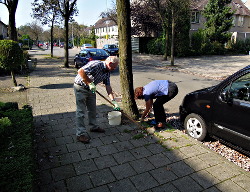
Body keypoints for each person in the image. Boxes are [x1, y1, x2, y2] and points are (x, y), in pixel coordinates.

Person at [74, 56, 120, 143]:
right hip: (80, 87)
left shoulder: (107, 72)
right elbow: (80, 71)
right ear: (110, 63)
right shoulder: (96, 64)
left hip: (91, 89)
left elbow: (108, 87)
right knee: (81, 111)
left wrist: (114, 102)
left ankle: (93, 127)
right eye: (114, 66)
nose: (115, 68)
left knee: (92, 109)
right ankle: (80, 134)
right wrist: (90, 83)